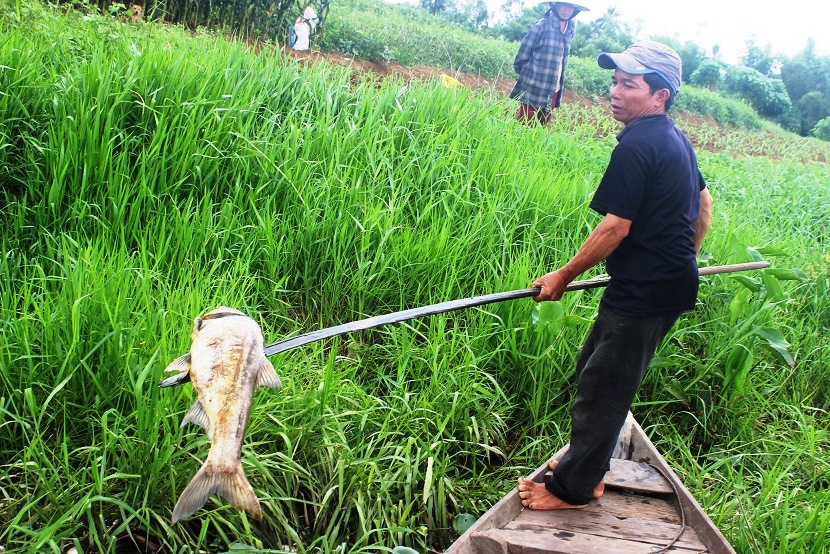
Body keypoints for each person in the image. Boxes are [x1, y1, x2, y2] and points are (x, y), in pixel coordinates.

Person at [517, 40, 714, 510]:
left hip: (645, 292)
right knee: (596, 373)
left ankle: (575, 489)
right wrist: (682, 258)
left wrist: (563, 275)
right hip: (657, 284)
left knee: (602, 392)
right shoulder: (673, 138)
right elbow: (703, 206)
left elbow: (615, 227)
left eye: (629, 84)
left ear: (660, 95)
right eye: (614, 81)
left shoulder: (639, 144)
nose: (615, 91)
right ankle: (593, 468)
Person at [509, 2, 589, 126]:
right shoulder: (541, 26)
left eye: (571, 6)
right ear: (555, 5)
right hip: (534, 87)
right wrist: (530, 77)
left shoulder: (570, 29)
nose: (567, 9)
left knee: (542, 127)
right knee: (524, 126)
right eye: (564, 5)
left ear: (575, 10)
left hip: (553, 89)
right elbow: (521, 58)